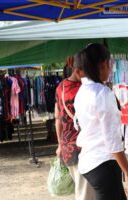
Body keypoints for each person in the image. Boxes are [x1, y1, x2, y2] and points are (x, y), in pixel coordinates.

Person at [74, 43, 128, 200]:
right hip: (103, 163)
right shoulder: (102, 93)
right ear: (104, 64)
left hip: (90, 162)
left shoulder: (82, 91)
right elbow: (112, 140)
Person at [55, 57, 95, 200]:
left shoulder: (61, 88)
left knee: (81, 190)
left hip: (67, 147)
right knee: (86, 193)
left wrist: (60, 144)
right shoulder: (86, 88)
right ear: (78, 69)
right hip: (84, 147)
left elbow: (58, 119)